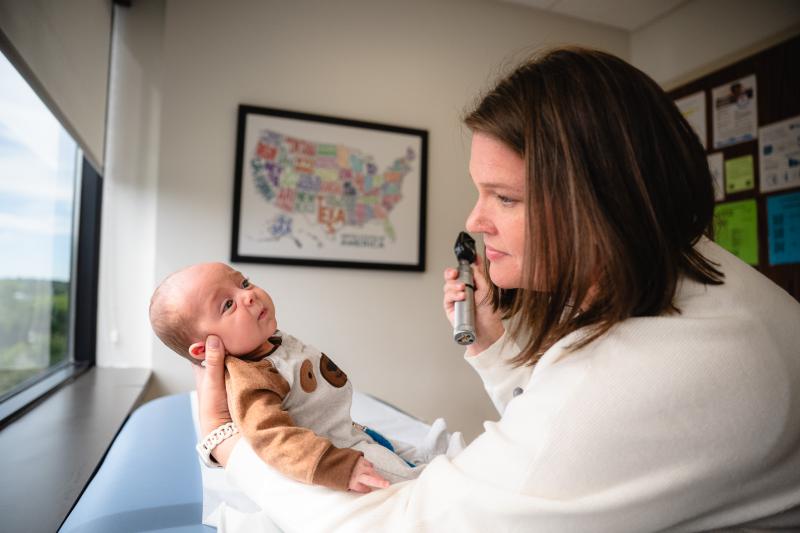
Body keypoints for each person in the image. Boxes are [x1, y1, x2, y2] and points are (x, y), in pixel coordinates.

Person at [193, 47, 800, 531]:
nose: (474, 224)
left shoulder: (646, 376)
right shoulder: (699, 271)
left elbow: (404, 526)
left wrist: (227, 442)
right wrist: (494, 348)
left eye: (505, 198)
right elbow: (563, 436)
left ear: (597, 207)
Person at [150, 262, 459, 494]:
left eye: (244, 283)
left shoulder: (268, 340)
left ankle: (423, 456)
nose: (249, 296)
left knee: (387, 444)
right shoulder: (249, 378)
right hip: (327, 450)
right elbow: (271, 437)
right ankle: (428, 486)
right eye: (227, 304)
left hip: (345, 429)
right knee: (386, 470)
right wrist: (336, 467)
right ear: (206, 348)